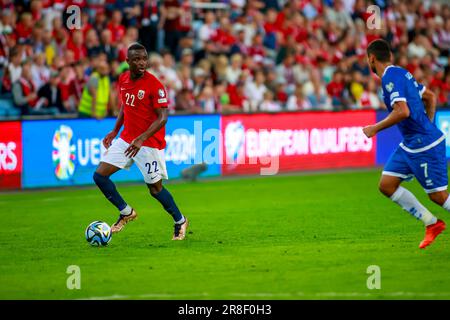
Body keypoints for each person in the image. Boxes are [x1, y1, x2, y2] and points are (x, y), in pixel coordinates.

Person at [93, 42, 188, 240]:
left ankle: (180, 220)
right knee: (100, 176)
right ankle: (126, 212)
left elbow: (163, 117)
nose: (141, 63)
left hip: (149, 143)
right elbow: (124, 107)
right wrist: (114, 131)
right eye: (136, 59)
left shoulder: (155, 85)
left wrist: (141, 138)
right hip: (127, 138)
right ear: (128, 61)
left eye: (144, 59)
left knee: (155, 190)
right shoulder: (124, 79)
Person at [363, 39, 447, 249]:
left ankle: (433, 222)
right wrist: (427, 123)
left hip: (424, 146)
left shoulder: (390, 78)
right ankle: (432, 223)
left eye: (368, 60)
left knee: (438, 196)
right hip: (411, 144)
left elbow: (403, 111)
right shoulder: (401, 73)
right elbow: (430, 96)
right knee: (387, 185)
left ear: (372, 59)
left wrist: (374, 128)